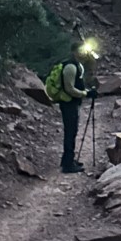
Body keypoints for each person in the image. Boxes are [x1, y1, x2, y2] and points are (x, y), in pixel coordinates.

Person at [44, 40, 99, 173]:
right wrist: (86, 93)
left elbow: (77, 84)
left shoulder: (77, 65)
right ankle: (68, 165)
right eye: (81, 51)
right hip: (68, 103)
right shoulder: (70, 67)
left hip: (71, 103)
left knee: (72, 132)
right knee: (70, 132)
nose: (83, 53)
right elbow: (69, 89)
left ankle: (68, 160)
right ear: (74, 52)